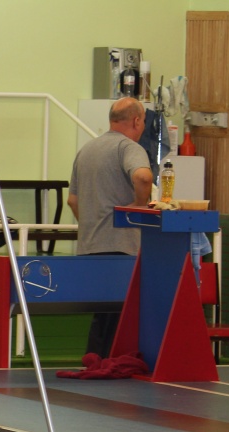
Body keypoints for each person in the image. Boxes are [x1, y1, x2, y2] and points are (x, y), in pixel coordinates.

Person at [68, 97, 154, 357]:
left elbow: (72, 200)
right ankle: (112, 366)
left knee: (102, 316)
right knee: (120, 316)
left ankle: (95, 363)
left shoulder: (87, 150)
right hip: (121, 247)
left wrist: (93, 223)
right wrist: (139, 207)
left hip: (90, 247)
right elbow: (143, 176)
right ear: (137, 121)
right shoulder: (129, 148)